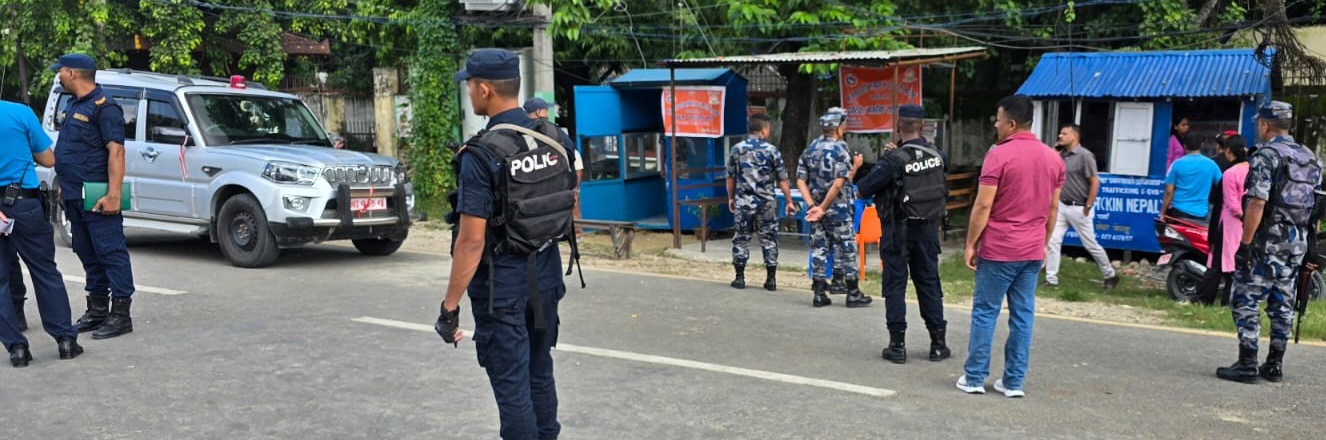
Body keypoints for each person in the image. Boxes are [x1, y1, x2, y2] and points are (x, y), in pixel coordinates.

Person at [437, 48, 578, 439]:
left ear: (484, 89)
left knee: (513, 384)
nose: (469, 93)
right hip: (547, 276)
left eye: (469, 86)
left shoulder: (481, 154)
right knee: (539, 369)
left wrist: (449, 308)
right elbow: (568, 195)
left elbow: (470, 241)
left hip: (503, 286)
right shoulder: (553, 138)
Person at [958, 95, 1065, 398]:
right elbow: (1053, 208)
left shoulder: (998, 155)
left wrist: (970, 244)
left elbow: (982, 206)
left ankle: (975, 377)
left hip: (1000, 248)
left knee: (985, 312)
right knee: (1023, 315)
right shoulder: (1053, 158)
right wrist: (1043, 244)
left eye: (998, 118)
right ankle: (1014, 382)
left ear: (1011, 123)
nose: (996, 123)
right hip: (1032, 249)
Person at [1217, 101, 1322, 384]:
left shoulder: (1266, 156)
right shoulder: (1310, 158)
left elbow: (1256, 203)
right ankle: (1274, 364)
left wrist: (1245, 244)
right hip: (1296, 242)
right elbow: (1317, 206)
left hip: (1267, 242)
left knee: (1245, 297)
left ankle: (1247, 363)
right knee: (1283, 301)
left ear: (1265, 125)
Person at [50, 53, 136, 340]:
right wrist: (64, 183)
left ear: (73, 73)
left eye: (60, 71)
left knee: (110, 252)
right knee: (87, 252)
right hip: (74, 192)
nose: (58, 76)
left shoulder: (105, 107)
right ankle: (97, 309)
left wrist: (113, 194)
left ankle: (121, 314)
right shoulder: (75, 104)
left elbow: (117, 152)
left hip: (98, 192)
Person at [856, 104, 950, 364]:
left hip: (898, 230)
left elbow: (863, 189)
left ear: (899, 125)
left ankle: (897, 346)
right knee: (929, 284)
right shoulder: (938, 154)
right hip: (928, 229)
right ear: (921, 126)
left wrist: (891, 158)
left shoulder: (894, 160)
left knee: (895, 286)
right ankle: (938, 344)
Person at [0, 99, 83, 368]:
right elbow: (48, 158)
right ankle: (66, 341)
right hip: (24, 203)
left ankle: (17, 349)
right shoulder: (20, 112)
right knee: (45, 271)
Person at [798, 108, 870, 308]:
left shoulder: (810, 148)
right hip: (838, 209)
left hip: (816, 210)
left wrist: (813, 205)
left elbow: (800, 180)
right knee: (847, 248)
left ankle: (819, 292)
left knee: (819, 248)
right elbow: (840, 183)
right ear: (838, 128)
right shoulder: (841, 149)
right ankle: (853, 292)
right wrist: (856, 166)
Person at [1044, 124, 1120, 290]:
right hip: (1062, 206)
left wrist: (1089, 204)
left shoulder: (1085, 156)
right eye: (1060, 133)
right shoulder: (1061, 155)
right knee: (1053, 240)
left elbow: (1094, 182)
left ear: (1074, 137)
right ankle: (1051, 279)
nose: (1060, 135)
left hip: (1080, 207)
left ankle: (1110, 274)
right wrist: (1054, 151)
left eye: (1064, 133)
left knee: (1090, 244)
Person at [726, 114, 796, 291]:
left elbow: (730, 177)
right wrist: (789, 201)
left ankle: (740, 277)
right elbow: (782, 179)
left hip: (744, 202)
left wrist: (731, 197)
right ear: (764, 130)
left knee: (741, 238)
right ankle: (771, 279)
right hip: (767, 203)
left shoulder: (737, 149)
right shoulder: (772, 150)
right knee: (769, 239)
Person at [1196, 134, 1249, 305]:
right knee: (1236, 265)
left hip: (1228, 225)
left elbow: (1233, 206)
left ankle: (1206, 300)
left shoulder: (1230, 174)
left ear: (1227, 151)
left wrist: (1243, 215)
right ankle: (1228, 302)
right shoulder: (1252, 170)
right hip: (1247, 226)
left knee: (1218, 264)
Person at [525, 98, 585, 237]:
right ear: (541, 112)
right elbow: (573, 158)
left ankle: (575, 232)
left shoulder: (526, 133)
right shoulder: (557, 133)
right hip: (560, 185)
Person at [1160, 135, 1222, 222]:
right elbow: (1223, 184)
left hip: (1178, 211)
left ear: (1184, 146)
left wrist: (1162, 213)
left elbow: (1169, 191)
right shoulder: (1211, 164)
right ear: (1202, 145)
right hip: (1201, 213)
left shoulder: (1177, 164)